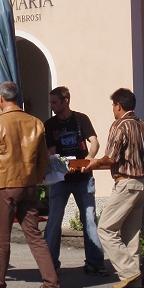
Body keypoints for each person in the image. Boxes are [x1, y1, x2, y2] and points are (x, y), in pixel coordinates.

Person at [0, 82, 60, 288]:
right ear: (17, 98)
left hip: (5, 186)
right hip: (28, 185)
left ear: (0, 99)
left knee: (1, 239)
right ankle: (51, 284)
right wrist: (36, 175)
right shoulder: (36, 123)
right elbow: (44, 157)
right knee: (35, 236)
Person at [86, 88, 144, 288]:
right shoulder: (142, 125)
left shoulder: (119, 125)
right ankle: (135, 278)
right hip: (142, 182)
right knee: (131, 233)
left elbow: (111, 157)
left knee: (105, 229)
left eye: (113, 105)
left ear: (119, 106)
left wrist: (94, 162)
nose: (113, 109)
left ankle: (129, 272)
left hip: (126, 182)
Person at [43, 86, 106, 275]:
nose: (52, 106)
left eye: (55, 102)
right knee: (54, 219)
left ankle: (95, 262)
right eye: (50, 103)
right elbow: (51, 151)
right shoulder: (50, 124)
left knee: (89, 219)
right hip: (61, 179)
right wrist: (60, 165)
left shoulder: (81, 119)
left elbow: (94, 141)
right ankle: (50, 264)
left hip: (83, 178)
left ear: (66, 101)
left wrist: (89, 158)